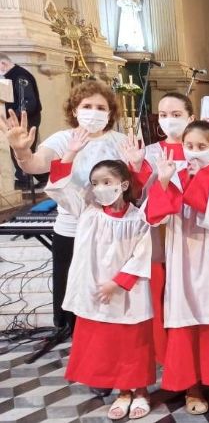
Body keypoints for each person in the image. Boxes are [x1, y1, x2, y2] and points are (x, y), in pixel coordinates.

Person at [1, 80, 126, 337]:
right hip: (72, 229)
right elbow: (35, 165)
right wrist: (21, 150)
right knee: (75, 292)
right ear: (75, 110)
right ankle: (78, 341)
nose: (94, 111)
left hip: (111, 229)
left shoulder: (121, 141)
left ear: (110, 112)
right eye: (87, 105)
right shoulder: (62, 139)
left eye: (100, 107)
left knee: (109, 293)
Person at [144, 120, 209, 414]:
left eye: (202, 147)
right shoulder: (172, 174)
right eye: (189, 146)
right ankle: (192, 385)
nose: (194, 152)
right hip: (184, 257)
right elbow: (154, 217)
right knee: (185, 316)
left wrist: (198, 182)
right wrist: (164, 182)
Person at [46, 149, 153, 420]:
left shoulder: (138, 218)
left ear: (124, 184)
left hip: (128, 293)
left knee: (133, 345)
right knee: (109, 346)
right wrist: (68, 155)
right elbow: (59, 187)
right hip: (96, 293)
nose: (101, 188)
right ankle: (123, 391)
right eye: (95, 183)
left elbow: (143, 255)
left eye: (107, 182)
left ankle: (140, 391)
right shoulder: (88, 212)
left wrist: (118, 282)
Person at [119, 92, 195, 365]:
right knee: (162, 295)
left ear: (191, 118)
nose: (169, 121)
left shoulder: (199, 148)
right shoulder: (150, 152)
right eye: (163, 115)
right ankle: (166, 355)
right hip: (160, 234)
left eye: (176, 115)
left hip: (195, 234)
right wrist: (137, 166)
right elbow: (137, 196)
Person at [0, 53, 47, 189]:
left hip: (26, 120)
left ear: (3, 64)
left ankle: (27, 180)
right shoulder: (12, 76)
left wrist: (11, 116)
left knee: (22, 151)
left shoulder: (19, 76)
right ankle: (31, 179)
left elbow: (27, 102)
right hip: (19, 120)